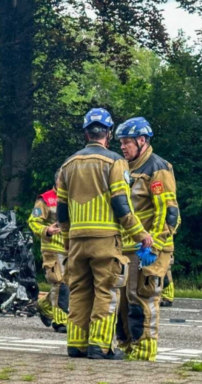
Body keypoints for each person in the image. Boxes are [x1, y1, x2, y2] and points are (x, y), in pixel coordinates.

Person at [56, 108, 152, 360]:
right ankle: (100, 346)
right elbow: (122, 204)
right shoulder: (115, 162)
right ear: (108, 134)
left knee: (78, 291)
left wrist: (67, 240)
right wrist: (140, 233)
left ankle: (76, 345)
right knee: (106, 291)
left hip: (76, 242)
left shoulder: (68, 165)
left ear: (86, 133)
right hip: (106, 241)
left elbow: (62, 210)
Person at [114, 117, 180, 361]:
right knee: (122, 302)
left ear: (142, 140)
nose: (122, 146)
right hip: (127, 247)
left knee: (141, 298)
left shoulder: (157, 167)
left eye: (127, 142)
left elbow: (168, 211)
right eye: (120, 142)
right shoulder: (126, 168)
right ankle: (127, 345)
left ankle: (144, 351)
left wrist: (156, 244)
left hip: (148, 248)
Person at [28, 172, 69, 333]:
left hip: (70, 248)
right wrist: (47, 230)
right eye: (62, 180)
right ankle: (60, 321)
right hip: (52, 248)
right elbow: (33, 221)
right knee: (59, 283)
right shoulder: (45, 199)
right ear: (56, 180)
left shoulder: (74, 198)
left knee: (70, 284)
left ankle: (43, 305)